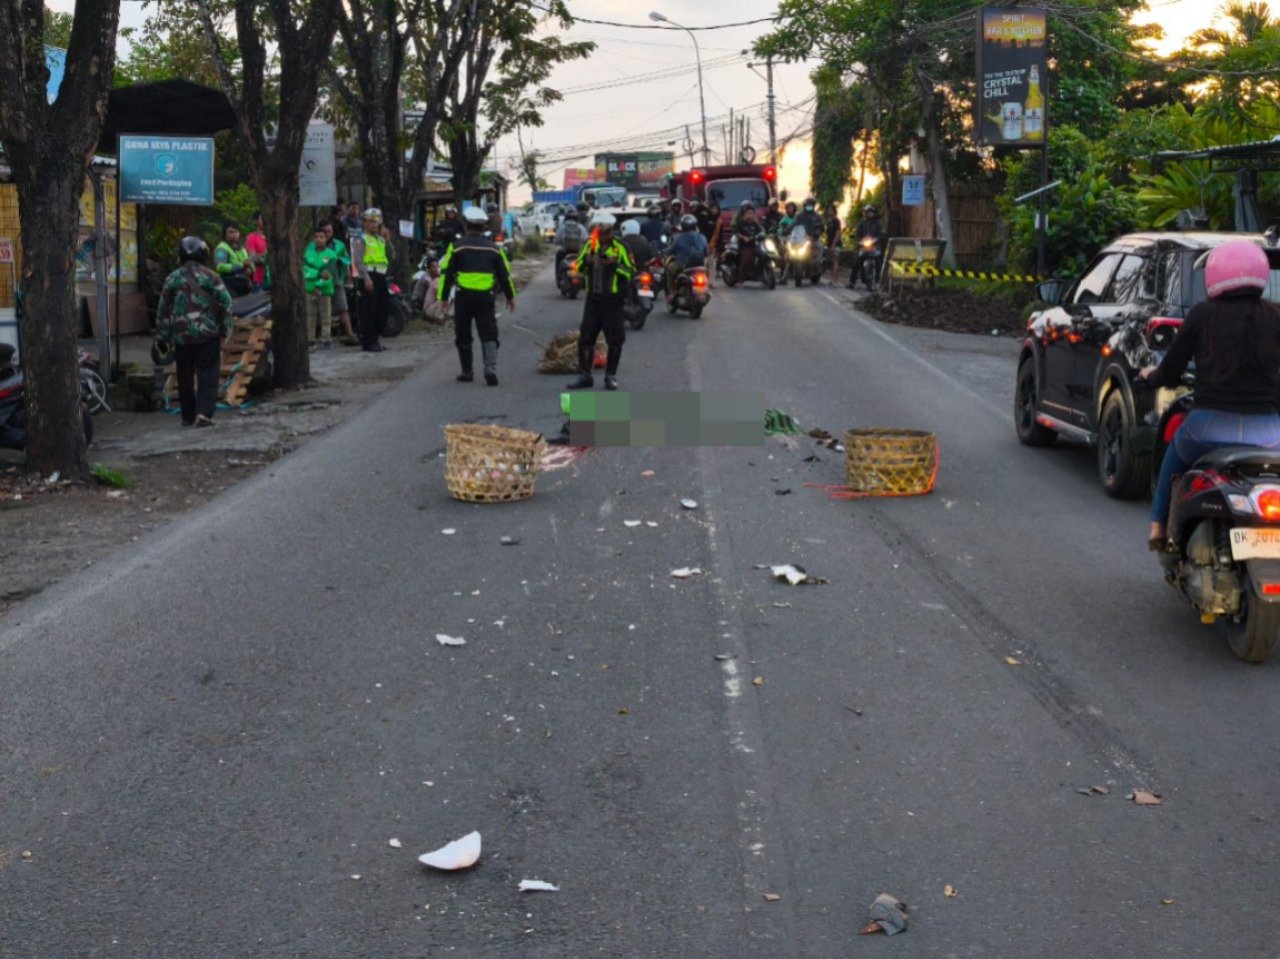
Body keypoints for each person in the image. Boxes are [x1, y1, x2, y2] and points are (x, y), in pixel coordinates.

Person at [1140, 240, 1280, 550]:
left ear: (1215, 276)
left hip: (1207, 429)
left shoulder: (1203, 315)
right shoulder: (1276, 316)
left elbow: (1171, 369)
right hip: (1271, 434)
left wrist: (1152, 377)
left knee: (1173, 456)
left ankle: (1158, 527)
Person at [156, 236, 232, 428]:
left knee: (184, 376)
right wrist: (225, 328)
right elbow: (225, 302)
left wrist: (163, 336)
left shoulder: (172, 278)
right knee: (208, 372)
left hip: (182, 336)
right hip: (208, 334)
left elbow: (163, 309)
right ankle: (203, 413)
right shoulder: (211, 276)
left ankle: (187, 416)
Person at [439, 207, 516, 385]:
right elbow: (505, 274)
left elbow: (446, 274)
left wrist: (443, 298)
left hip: (463, 297)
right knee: (488, 332)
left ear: (466, 225)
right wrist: (510, 296)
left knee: (463, 333)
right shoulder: (494, 249)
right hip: (485, 297)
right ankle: (489, 368)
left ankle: (467, 372)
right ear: (484, 227)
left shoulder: (456, 247)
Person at [567, 212, 634, 392]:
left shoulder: (620, 247)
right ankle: (585, 375)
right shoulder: (589, 245)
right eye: (599, 232)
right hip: (593, 299)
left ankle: (610, 376)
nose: (601, 236)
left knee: (615, 339)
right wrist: (586, 263)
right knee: (586, 338)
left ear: (612, 231)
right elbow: (577, 267)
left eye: (605, 233)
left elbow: (630, 271)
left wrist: (612, 264)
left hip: (612, 300)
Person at [352, 207, 390, 352]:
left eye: (377, 221)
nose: (375, 224)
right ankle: (369, 342)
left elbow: (390, 256)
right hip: (369, 276)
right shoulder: (360, 239)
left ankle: (376, 339)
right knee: (369, 311)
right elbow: (358, 261)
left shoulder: (380, 239)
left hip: (381, 276)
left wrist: (388, 240)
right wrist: (366, 279)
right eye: (371, 221)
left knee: (383, 309)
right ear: (365, 223)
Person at [303, 225, 338, 350]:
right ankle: (310, 339)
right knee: (310, 316)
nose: (318, 239)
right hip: (310, 290)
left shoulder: (331, 254)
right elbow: (305, 271)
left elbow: (329, 273)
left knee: (326, 315)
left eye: (321, 237)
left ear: (326, 239)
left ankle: (326, 338)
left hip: (324, 289)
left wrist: (318, 283)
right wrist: (318, 274)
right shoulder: (307, 253)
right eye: (316, 237)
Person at [320, 220, 356, 341]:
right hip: (321, 283)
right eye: (325, 231)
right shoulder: (316, 246)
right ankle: (323, 336)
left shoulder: (339, 245)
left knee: (343, 307)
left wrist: (348, 274)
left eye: (329, 231)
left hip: (337, 281)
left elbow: (346, 260)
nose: (328, 233)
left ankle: (349, 333)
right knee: (323, 310)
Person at [663, 213, 708, 302]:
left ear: (683, 226)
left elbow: (671, 250)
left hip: (683, 265)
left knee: (668, 269)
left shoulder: (679, 238)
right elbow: (706, 251)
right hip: (700, 265)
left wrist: (662, 251)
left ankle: (672, 292)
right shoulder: (702, 237)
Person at [849, 204, 887, 290]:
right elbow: (857, 235)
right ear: (864, 213)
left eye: (870, 212)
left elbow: (882, 233)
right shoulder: (862, 224)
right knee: (857, 261)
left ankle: (877, 282)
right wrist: (859, 241)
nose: (869, 214)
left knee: (879, 263)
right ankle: (852, 282)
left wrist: (877, 239)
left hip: (875, 247)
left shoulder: (878, 223)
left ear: (874, 213)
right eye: (867, 212)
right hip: (864, 247)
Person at [214, 223, 252, 297]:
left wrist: (251, 269)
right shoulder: (222, 248)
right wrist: (241, 266)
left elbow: (248, 261)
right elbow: (220, 266)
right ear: (225, 234)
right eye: (231, 232)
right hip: (230, 286)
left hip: (244, 284)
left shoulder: (241, 247)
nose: (234, 234)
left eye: (236, 231)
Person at [733, 201, 763, 284]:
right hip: (744, 245)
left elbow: (760, 231)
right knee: (746, 260)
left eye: (752, 213)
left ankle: (760, 274)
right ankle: (741, 280)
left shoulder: (754, 223)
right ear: (744, 213)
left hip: (754, 244)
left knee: (763, 255)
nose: (750, 215)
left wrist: (763, 234)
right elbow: (736, 232)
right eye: (748, 213)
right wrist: (744, 237)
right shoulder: (740, 222)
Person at [554, 208, 588, 275]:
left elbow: (557, 240)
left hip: (565, 252)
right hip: (579, 252)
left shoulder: (562, 227)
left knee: (558, 254)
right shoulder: (581, 227)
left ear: (566, 217)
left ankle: (559, 275)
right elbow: (586, 240)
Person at [245, 211, 268, 290]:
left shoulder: (274, 238)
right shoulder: (251, 237)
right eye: (262, 219)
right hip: (258, 280)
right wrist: (267, 256)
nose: (265, 221)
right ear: (256, 221)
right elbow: (253, 257)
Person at [825, 201, 844, 285]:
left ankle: (834, 279)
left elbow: (838, 233)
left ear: (834, 211)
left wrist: (833, 244)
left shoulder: (836, 221)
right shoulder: (829, 221)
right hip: (829, 243)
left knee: (835, 261)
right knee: (833, 261)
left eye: (831, 210)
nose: (829, 212)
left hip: (836, 244)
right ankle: (835, 279)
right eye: (828, 210)